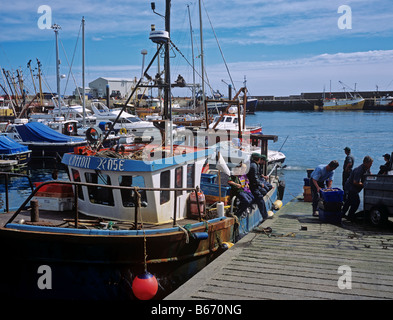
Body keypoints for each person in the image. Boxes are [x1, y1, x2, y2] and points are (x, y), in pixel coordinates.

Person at [342, 156, 373, 221]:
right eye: (370, 164)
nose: (371, 165)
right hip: (350, 187)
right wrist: (364, 185)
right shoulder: (359, 170)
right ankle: (350, 216)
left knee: (348, 202)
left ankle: (342, 214)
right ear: (365, 163)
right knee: (356, 202)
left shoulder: (366, 168)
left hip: (353, 188)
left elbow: (369, 174)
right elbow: (355, 182)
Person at [246, 153, 268, 220]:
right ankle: (265, 216)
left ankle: (265, 215)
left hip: (254, 185)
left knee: (263, 193)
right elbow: (254, 178)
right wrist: (261, 184)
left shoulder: (253, 165)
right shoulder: (254, 166)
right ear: (258, 159)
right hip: (253, 186)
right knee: (260, 199)